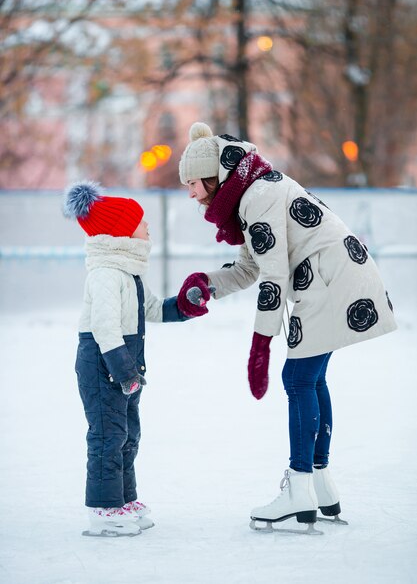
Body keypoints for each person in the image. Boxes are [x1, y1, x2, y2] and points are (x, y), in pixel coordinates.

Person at [178, 122, 397, 533]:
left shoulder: (258, 196)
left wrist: (261, 344)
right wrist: (207, 284)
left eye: (192, 183)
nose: (189, 193)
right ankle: (319, 484)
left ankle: (300, 487)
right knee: (310, 380)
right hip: (342, 278)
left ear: (212, 177)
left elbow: (274, 276)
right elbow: (250, 267)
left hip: (331, 282)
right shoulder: (253, 191)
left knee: (297, 379)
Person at [62, 181, 211, 537]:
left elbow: (155, 309)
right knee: (107, 435)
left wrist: (187, 305)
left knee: (127, 434)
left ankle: (123, 500)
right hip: (103, 365)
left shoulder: (129, 274)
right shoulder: (105, 274)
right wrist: (124, 372)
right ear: (122, 232)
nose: (148, 228)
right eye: (142, 222)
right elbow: (104, 328)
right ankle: (103, 509)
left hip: (122, 368)